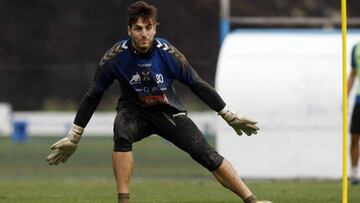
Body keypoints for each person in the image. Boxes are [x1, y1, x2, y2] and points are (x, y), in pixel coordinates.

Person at [46, 1, 271, 203]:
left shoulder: (169, 54)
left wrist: (228, 115)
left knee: (207, 155)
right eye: (138, 28)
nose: (143, 34)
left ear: (155, 29)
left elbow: (197, 84)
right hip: (134, 112)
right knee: (122, 132)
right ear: (129, 31)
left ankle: (252, 201)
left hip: (167, 112)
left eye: (148, 28)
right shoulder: (115, 57)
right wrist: (74, 137)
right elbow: (93, 94)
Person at [349, 42, 360, 185]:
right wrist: (345, 95)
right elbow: (353, 73)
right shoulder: (356, 48)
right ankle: (354, 174)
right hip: (359, 100)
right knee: (354, 137)